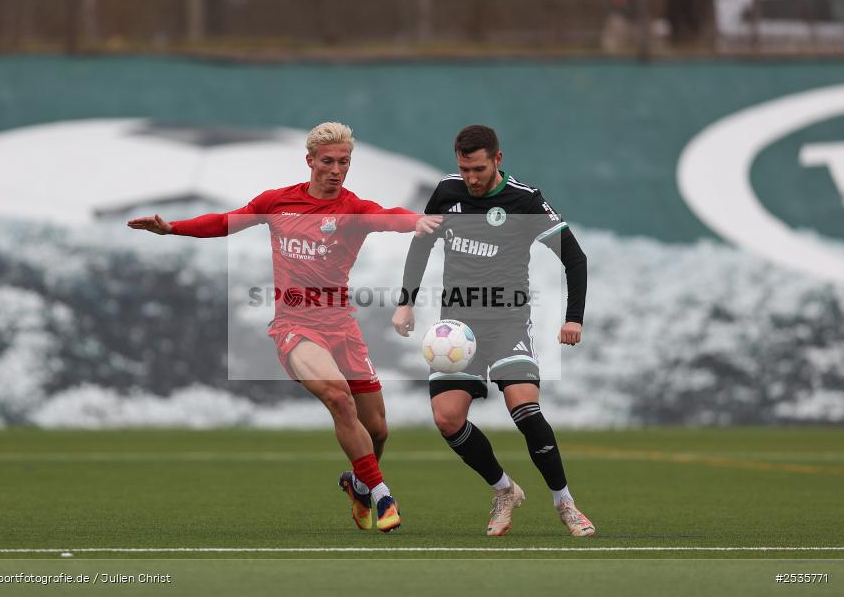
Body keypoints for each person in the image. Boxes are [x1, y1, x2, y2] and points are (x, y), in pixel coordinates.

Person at [128, 122, 441, 533]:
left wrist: (416, 221)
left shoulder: (352, 209)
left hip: (342, 328)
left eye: (343, 162)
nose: (336, 169)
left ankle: (358, 482)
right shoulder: (278, 202)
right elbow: (226, 221)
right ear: (310, 160)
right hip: (295, 326)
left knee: (378, 429)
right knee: (339, 398)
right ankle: (383, 495)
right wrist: (172, 228)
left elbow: (388, 216)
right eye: (327, 161)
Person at [392, 125, 594, 537]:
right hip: (457, 329)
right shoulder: (447, 191)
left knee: (525, 409)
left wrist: (574, 317)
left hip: (507, 322)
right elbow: (421, 244)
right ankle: (504, 490)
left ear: (497, 160)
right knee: (447, 419)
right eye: (464, 169)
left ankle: (565, 503)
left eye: (479, 169)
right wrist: (405, 300)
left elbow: (575, 258)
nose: (471, 178)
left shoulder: (525, 200)